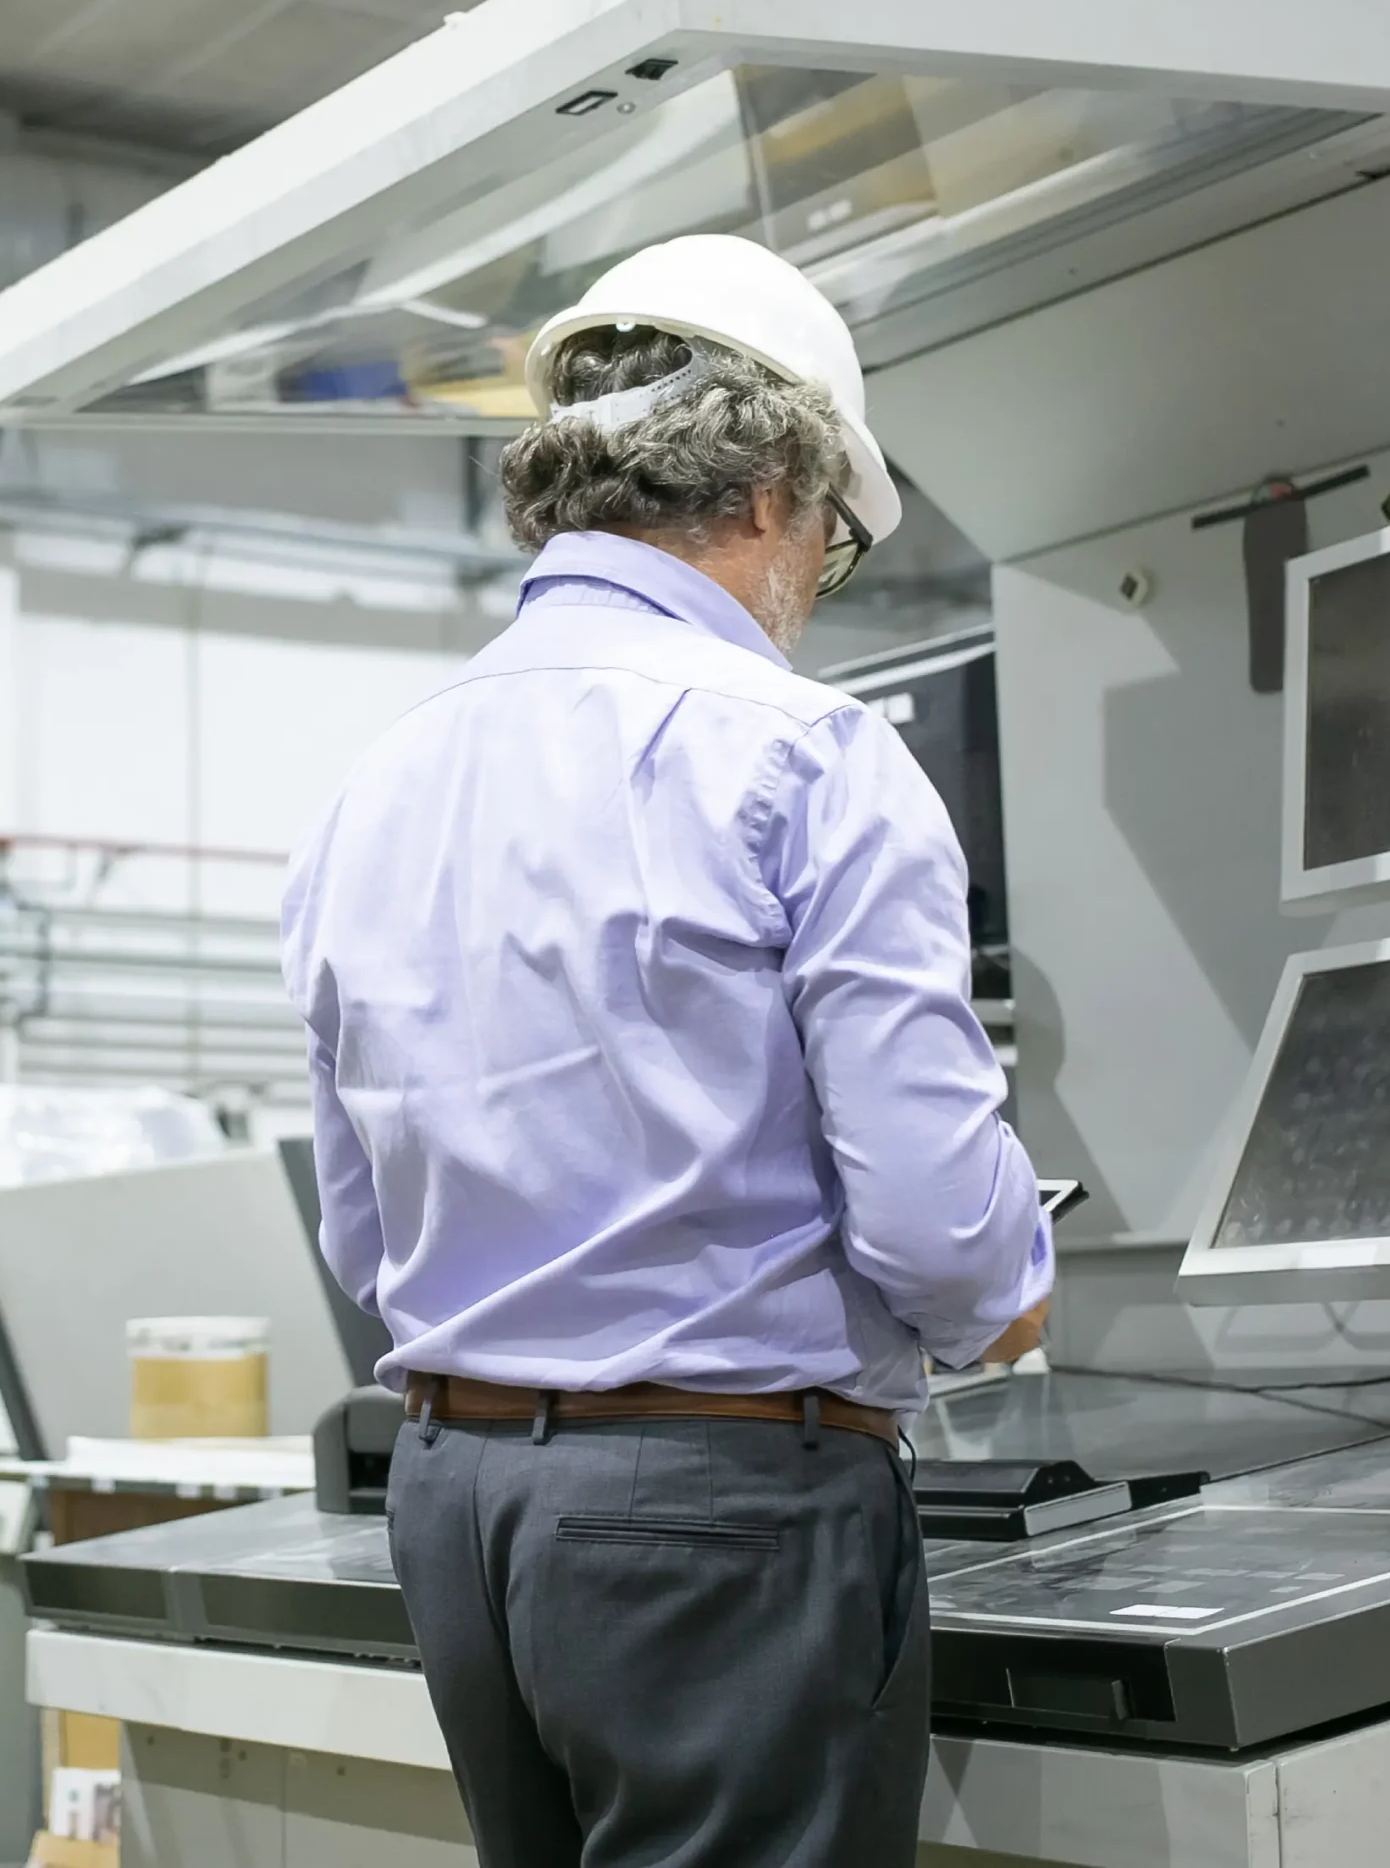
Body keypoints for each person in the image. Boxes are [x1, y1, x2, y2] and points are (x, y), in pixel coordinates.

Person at [280, 231, 1054, 1868]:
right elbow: (937, 1225)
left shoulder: (379, 782)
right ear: (777, 491)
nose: (809, 592)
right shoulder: (806, 757)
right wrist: (1009, 1294)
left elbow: (362, 1227)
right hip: (718, 1520)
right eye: (832, 547)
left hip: (456, 1499)